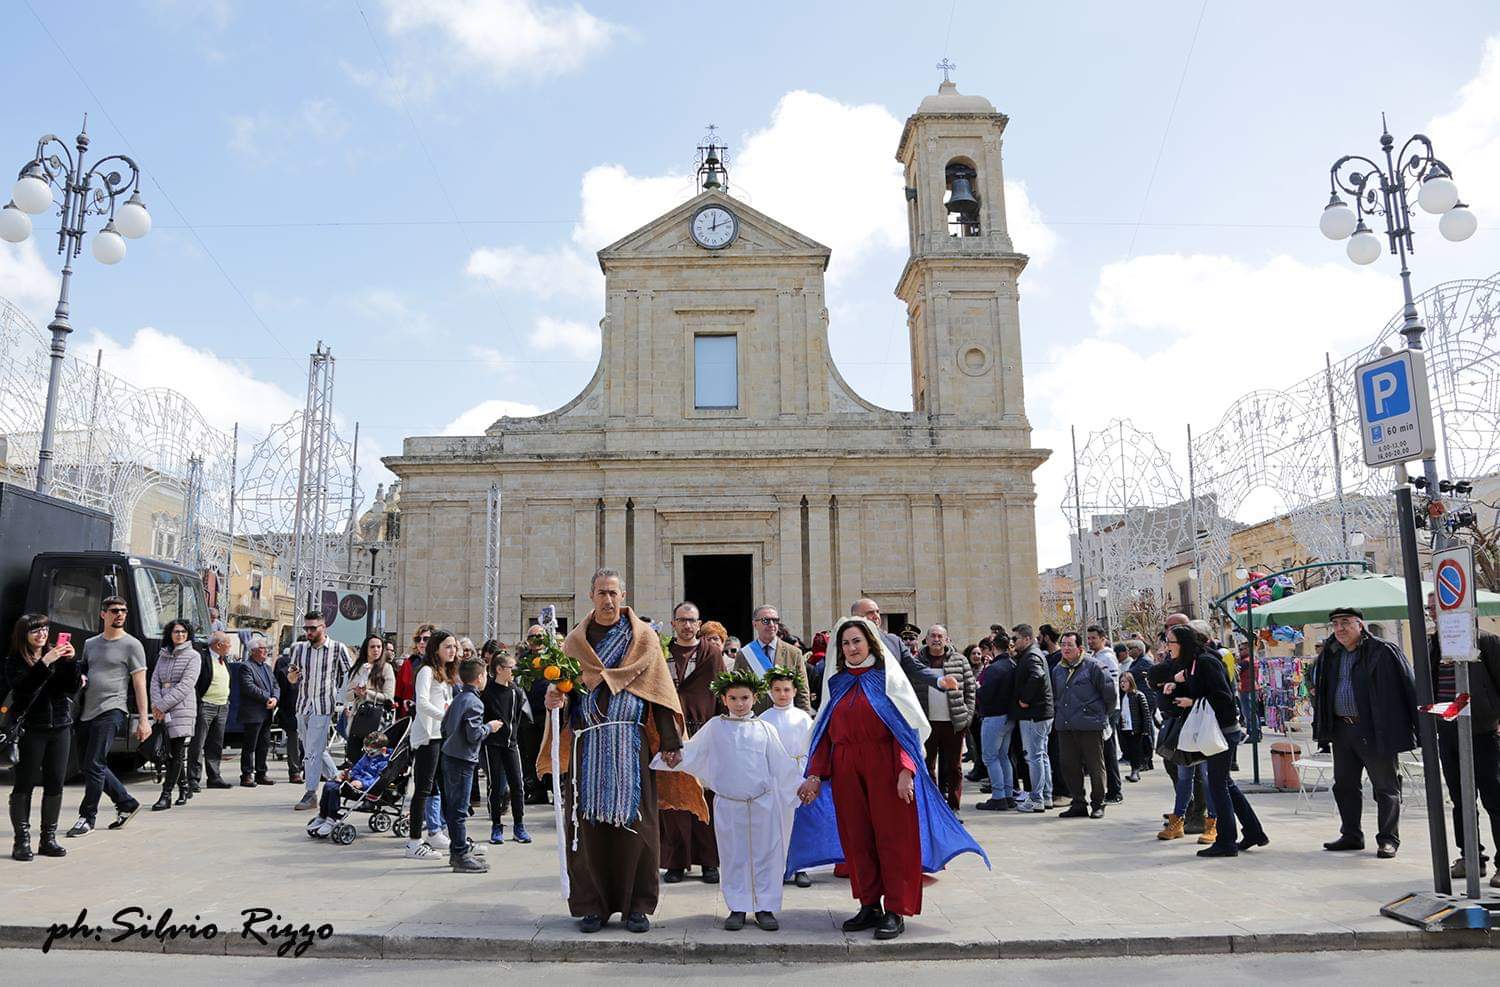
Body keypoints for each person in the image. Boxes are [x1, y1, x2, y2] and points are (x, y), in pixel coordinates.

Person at [788, 617, 988, 941]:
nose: (851, 648)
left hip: (887, 766)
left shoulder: (887, 681)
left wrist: (906, 771)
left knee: (893, 839)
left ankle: (896, 909)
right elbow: (825, 734)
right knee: (857, 839)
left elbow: (905, 729)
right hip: (845, 768)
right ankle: (869, 904)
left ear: (871, 644)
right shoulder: (836, 684)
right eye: (846, 643)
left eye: (857, 641)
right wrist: (814, 775)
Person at [540, 568, 704, 935]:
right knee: (588, 829)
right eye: (601, 593)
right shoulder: (574, 643)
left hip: (632, 747)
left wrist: (671, 741)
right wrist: (555, 700)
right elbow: (563, 692)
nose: (608, 600)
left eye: (613, 593)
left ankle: (637, 907)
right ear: (591, 595)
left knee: (639, 828)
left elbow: (659, 693)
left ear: (623, 595)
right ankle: (592, 906)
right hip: (589, 747)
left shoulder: (642, 639)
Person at [654, 668, 801, 932]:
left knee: (766, 854)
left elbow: (782, 764)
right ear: (724, 700)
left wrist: (800, 789)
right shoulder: (715, 728)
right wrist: (667, 757)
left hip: (762, 803)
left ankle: (765, 907)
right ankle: (738, 906)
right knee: (734, 856)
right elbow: (693, 752)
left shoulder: (765, 729)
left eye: (744, 698)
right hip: (729, 804)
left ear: (755, 698)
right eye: (733, 698)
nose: (739, 704)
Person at [1312, 606, 1419, 858]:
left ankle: (1388, 839)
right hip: (1341, 729)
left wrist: (1420, 727)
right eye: (1335, 624)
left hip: (1374, 729)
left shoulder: (1382, 651)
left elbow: (1409, 686)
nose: (1340, 629)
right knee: (1344, 785)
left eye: (1346, 623)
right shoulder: (1331, 652)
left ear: (1361, 625)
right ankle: (1351, 835)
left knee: (1385, 787)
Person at [1162, 624, 1267, 857]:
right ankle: (1253, 832)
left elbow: (1223, 697)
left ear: (1184, 644)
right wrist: (1178, 683)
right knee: (1225, 783)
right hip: (1216, 730)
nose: (1167, 647)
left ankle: (1227, 841)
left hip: (1221, 730)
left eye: (1170, 642)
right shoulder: (1194, 663)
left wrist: (1193, 701)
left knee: (1218, 785)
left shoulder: (1207, 662)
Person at [1427, 593, 1500, 886]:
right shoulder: (1433, 644)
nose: (1433, 613)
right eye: (1430, 608)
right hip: (1448, 731)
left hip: (1483, 731)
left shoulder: (1486, 642)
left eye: (1437, 607)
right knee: (1460, 799)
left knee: (1494, 799)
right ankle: (1471, 857)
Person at [66, 597, 151, 837]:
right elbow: (84, 672)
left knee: (94, 763)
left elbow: (140, 684)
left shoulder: (132, 645)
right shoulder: (90, 644)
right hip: (86, 712)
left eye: (124, 610)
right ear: (103, 614)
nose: (120, 615)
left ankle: (87, 818)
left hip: (113, 710)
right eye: (115, 611)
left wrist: (144, 720)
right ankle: (126, 803)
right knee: (89, 765)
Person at [661, 601, 725, 885]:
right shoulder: (663, 652)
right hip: (670, 731)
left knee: (705, 798)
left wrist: (723, 730)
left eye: (692, 620)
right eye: (682, 620)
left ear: (699, 625)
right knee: (673, 800)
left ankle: (709, 861)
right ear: (673, 623)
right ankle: (676, 862)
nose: (687, 625)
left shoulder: (711, 652)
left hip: (703, 732)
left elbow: (722, 689)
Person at [6, 613, 79, 860]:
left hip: (60, 727)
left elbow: (70, 688)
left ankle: (48, 838)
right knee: (24, 783)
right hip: (31, 729)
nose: (42, 635)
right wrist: (44, 664)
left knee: (56, 782)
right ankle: (21, 841)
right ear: (23, 635)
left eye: (45, 630)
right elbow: (23, 690)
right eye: (35, 630)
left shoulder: (55, 656)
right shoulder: (14, 661)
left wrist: (70, 661)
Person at [286, 611, 353, 812]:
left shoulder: (337, 648)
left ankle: (310, 792)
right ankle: (337, 780)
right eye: (306, 628)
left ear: (323, 627)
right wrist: (292, 676)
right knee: (312, 748)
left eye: (313, 628)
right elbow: (291, 678)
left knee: (313, 750)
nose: (309, 631)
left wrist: (345, 702)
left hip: (324, 705)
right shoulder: (298, 649)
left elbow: (348, 675)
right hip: (303, 704)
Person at [441, 656, 502, 873]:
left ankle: (458, 851)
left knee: (454, 807)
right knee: (459, 809)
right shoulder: (475, 702)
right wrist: (489, 727)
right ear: (479, 678)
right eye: (485, 674)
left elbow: (444, 725)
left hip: (450, 755)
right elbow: (473, 734)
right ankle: (460, 854)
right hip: (463, 759)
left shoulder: (460, 696)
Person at [1050, 631, 1117, 819]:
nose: (1065, 648)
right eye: (1063, 644)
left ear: (1079, 648)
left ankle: (1098, 802)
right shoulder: (1058, 670)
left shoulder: (1094, 666)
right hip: (1066, 725)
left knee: (1095, 765)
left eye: (1069, 645)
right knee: (1068, 765)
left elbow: (1109, 695)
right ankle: (1078, 802)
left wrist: (1101, 716)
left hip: (1090, 725)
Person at [759, 665, 814, 888]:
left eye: (787, 689)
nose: (782, 694)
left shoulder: (803, 718)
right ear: (770, 691)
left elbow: (812, 746)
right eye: (777, 689)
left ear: (794, 691)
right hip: (775, 778)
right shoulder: (764, 719)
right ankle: (778, 866)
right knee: (776, 823)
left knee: (799, 822)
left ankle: (800, 867)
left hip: (798, 775)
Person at [405, 628, 456, 859]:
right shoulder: (426, 671)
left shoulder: (444, 673)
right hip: (428, 736)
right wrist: (446, 717)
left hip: (441, 735)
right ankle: (414, 841)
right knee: (423, 789)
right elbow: (422, 703)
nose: (453, 650)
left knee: (436, 787)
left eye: (454, 646)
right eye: (448, 646)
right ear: (436, 648)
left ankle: (435, 832)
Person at [916, 624, 976, 813]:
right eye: (932, 636)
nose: (936, 639)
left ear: (946, 639)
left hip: (953, 723)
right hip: (927, 724)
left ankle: (953, 807)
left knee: (954, 767)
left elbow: (970, 690)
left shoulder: (960, 661)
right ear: (926, 639)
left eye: (940, 636)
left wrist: (967, 716)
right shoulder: (916, 661)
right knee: (927, 765)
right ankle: (933, 806)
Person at [148, 619, 201, 811]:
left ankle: (166, 793)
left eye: (183, 632)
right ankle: (184, 786)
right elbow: (154, 680)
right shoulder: (163, 655)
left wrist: (162, 704)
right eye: (176, 631)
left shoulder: (193, 656)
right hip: (162, 708)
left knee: (176, 752)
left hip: (181, 708)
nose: (179, 635)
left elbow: (186, 685)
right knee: (168, 751)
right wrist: (156, 704)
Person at [480, 648, 531, 845]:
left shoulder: (516, 692)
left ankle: (519, 825)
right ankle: (496, 825)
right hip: (492, 744)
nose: (514, 671)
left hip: (511, 743)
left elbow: (517, 718)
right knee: (495, 787)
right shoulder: (487, 691)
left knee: (517, 785)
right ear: (500, 669)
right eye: (511, 668)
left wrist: (513, 735)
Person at [307, 731, 392, 839]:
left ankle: (332, 818)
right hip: (353, 782)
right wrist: (349, 775)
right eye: (366, 750)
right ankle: (323, 815)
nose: (368, 753)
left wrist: (362, 783)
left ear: (383, 750)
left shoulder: (385, 763)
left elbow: (378, 780)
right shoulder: (367, 757)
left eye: (371, 751)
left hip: (366, 788)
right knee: (329, 784)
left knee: (335, 789)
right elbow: (356, 769)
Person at [734, 605, 812, 713]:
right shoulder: (744, 655)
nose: (771, 624)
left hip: (786, 718)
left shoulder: (794, 653)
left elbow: (802, 691)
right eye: (766, 620)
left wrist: (805, 719)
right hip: (757, 719)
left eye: (775, 620)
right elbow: (738, 690)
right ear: (754, 624)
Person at [1011, 623, 1055, 813]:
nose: (1014, 643)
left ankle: (1037, 798)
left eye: (1016, 639)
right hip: (1040, 713)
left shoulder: (1031, 656)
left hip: (1034, 714)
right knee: (1041, 755)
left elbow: (1037, 676)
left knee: (1035, 756)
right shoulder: (1032, 654)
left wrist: (1024, 699)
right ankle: (1045, 795)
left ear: (1027, 639)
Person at [187, 631, 235, 794]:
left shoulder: (224, 660)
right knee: (198, 743)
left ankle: (214, 777)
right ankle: (193, 779)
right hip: (205, 705)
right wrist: (198, 702)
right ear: (218, 644)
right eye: (228, 644)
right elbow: (195, 682)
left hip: (222, 705)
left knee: (216, 744)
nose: (230, 647)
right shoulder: (202, 658)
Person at [974, 637, 1018, 811]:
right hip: (1009, 716)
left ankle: (998, 796)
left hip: (994, 716)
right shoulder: (1012, 665)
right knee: (1003, 755)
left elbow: (985, 694)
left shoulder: (995, 669)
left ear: (993, 647)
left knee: (991, 757)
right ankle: (1007, 794)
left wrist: (978, 687)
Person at [1084, 625, 1123, 805]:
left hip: (1109, 710)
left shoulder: (1106, 658)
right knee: (1105, 750)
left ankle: (1115, 791)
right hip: (1103, 709)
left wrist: (1107, 710)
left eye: (1094, 638)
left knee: (1108, 751)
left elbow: (1112, 686)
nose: (1091, 641)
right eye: (1089, 638)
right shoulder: (1096, 657)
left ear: (1103, 638)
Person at [345, 634, 395, 761]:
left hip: (377, 719)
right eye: (372, 647)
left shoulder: (386, 668)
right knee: (353, 754)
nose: (376, 650)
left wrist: (368, 694)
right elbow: (348, 695)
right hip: (358, 718)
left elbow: (389, 696)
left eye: (379, 647)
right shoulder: (358, 667)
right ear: (366, 649)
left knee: (373, 756)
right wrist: (356, 693)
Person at [237, 635, 277, 787]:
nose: (265, 651)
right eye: (262, 648)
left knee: (264, 744)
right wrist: (267, 697)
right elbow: (249, 687)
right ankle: (247, 774)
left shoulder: (267, 667)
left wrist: (275, 698)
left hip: (267, 712)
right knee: (250, 745)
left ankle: (261, 773)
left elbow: (276, 685)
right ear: (253, 651)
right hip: (253, 712)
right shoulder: (246, 667)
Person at [274, 645, 303, 785]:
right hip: (291, 712)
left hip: (309, 710)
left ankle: (312, 769)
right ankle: (295, 771)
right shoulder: (283, 672)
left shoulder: (310, 670)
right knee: (294, 740)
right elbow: (280, 694)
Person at [395, 623, 434, 720]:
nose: (421, 642)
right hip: (410, 717)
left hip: (434, 717)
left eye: (426, 639)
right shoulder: (408, 664)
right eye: (418, 639)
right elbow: (398, 694)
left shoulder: (441, 664)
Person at [1119, 672, 1151, 783]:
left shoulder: (1138, 695)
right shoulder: (1121, 696)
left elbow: (1146, 714)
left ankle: (1135, 771)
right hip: (1124, 728)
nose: (1123, 684)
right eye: (1121, 682)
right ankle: (1134, 771)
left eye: (1125, 681)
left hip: (1135, 728)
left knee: (1135, 751)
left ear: (1131, 682)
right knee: (1128, 750)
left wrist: (1146, 731)